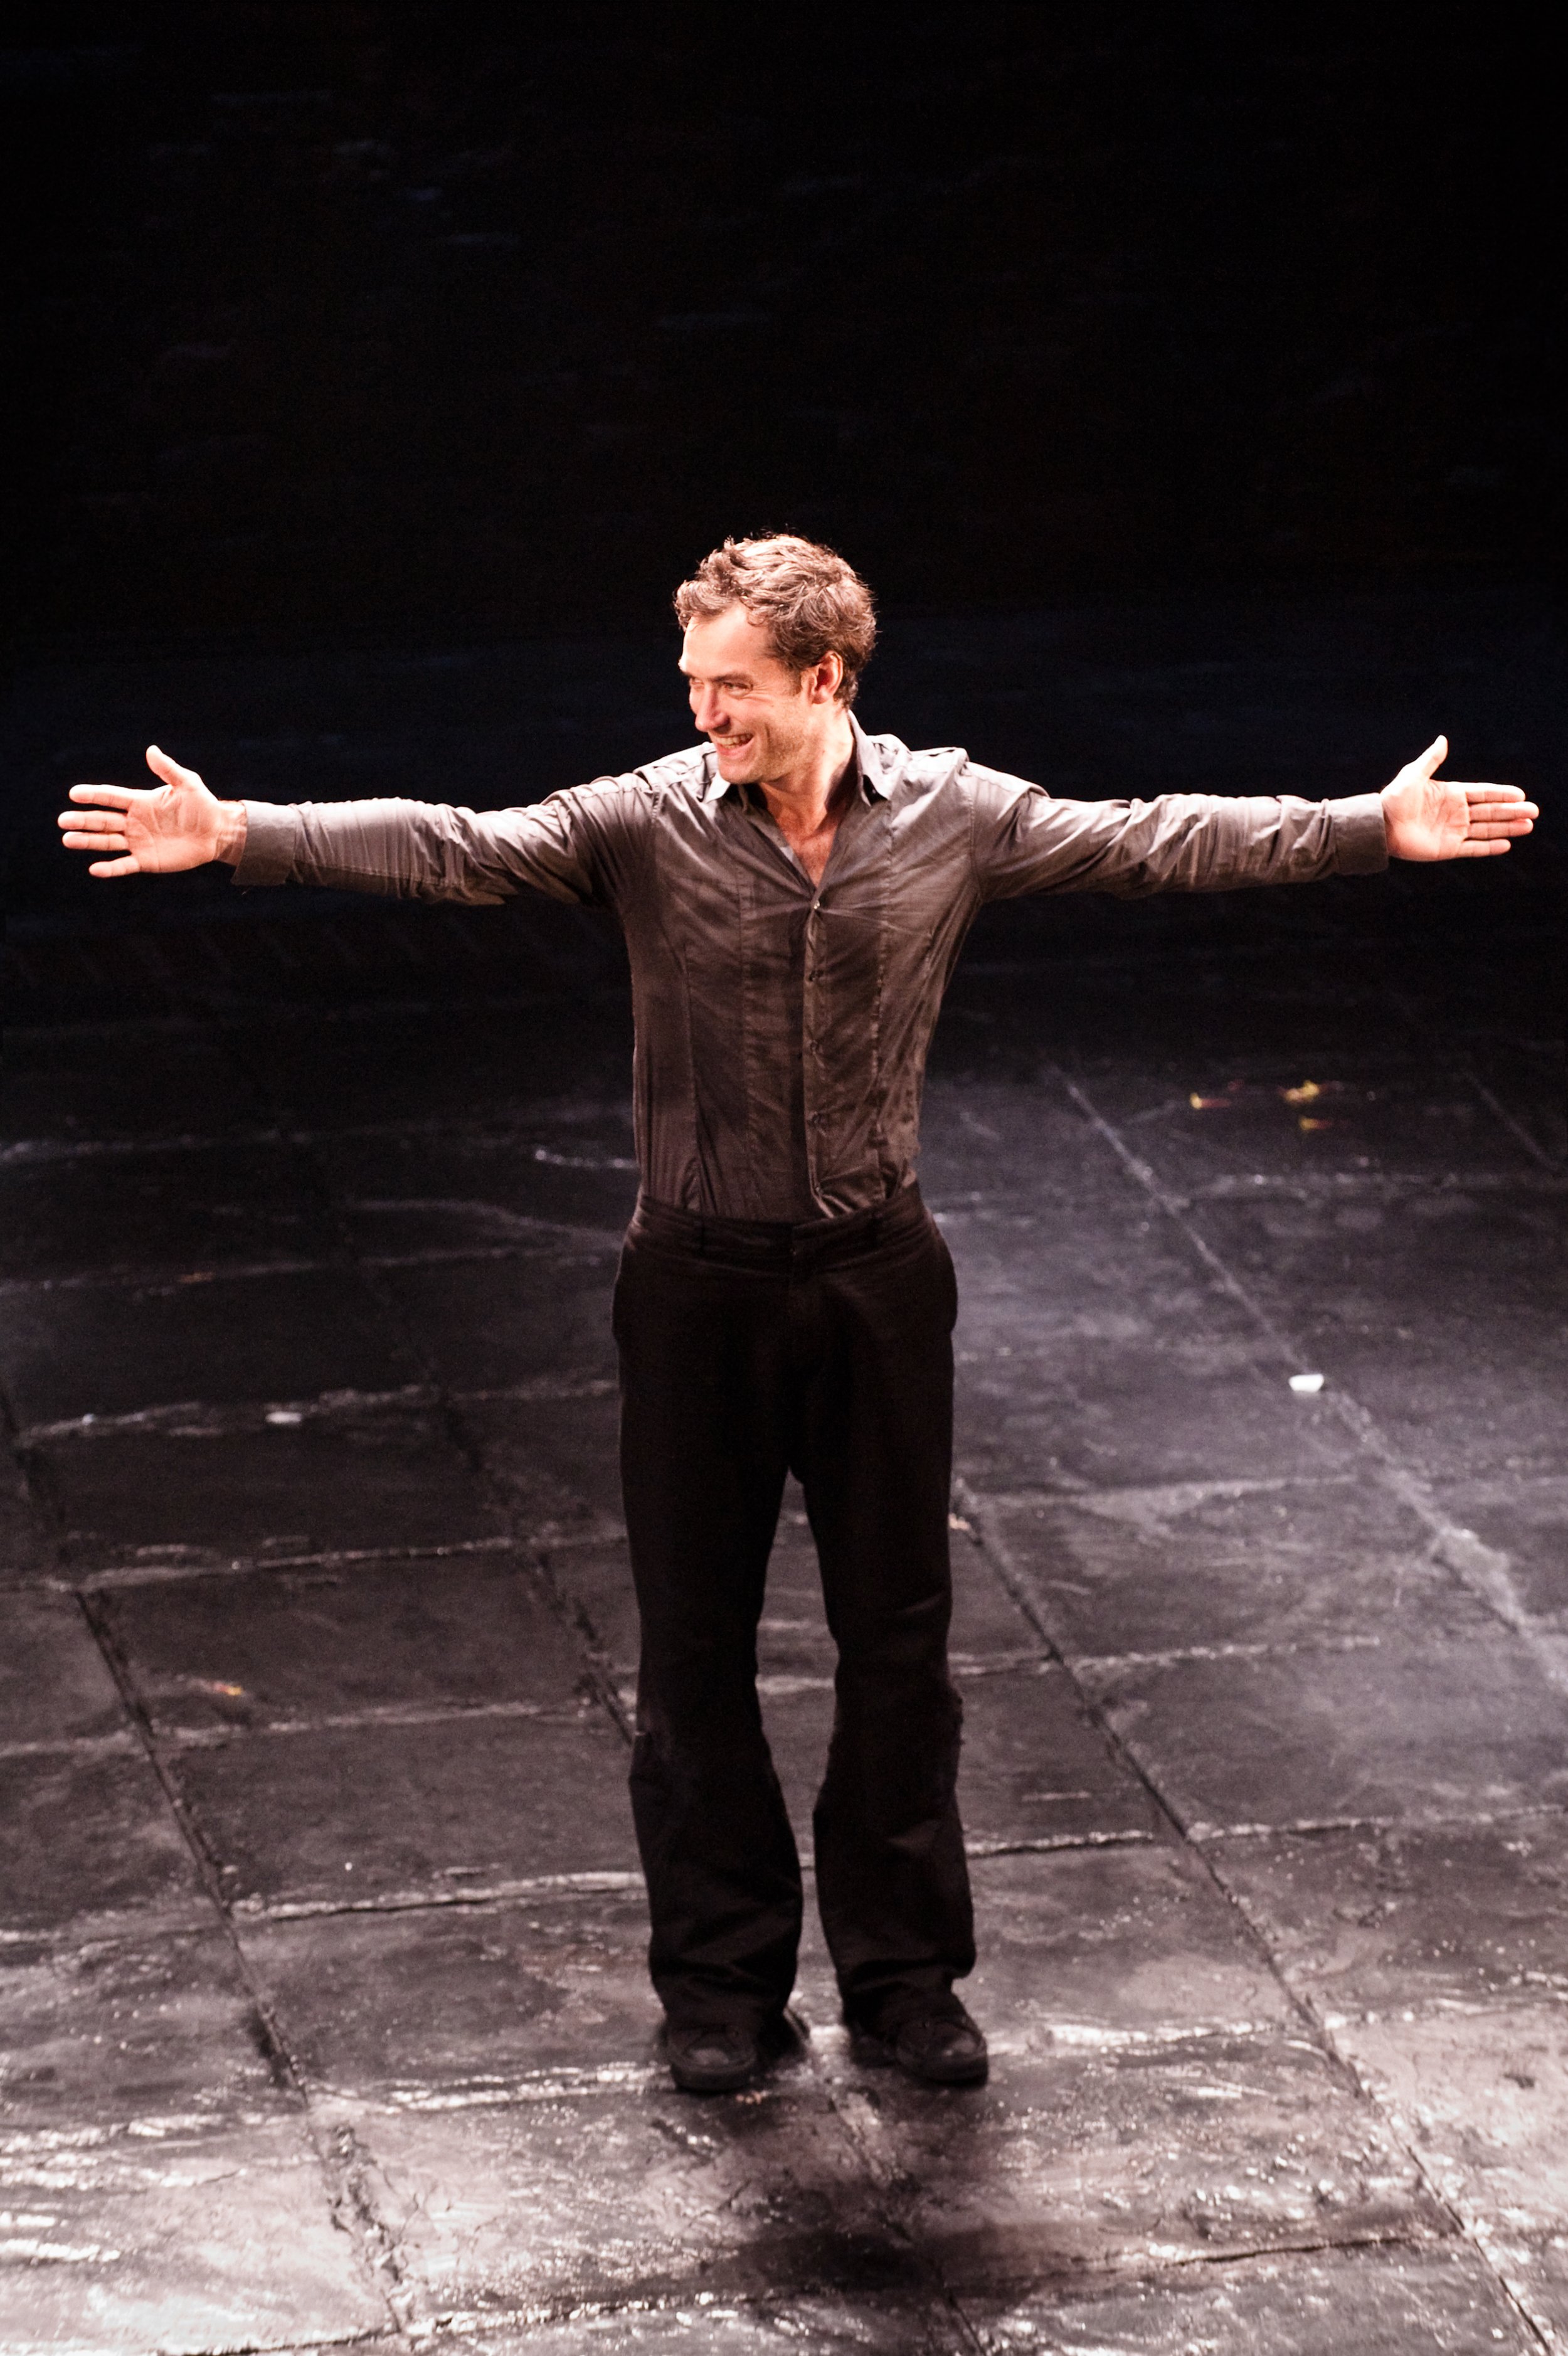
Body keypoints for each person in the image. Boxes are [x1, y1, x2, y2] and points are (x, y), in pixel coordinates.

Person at [59, 535, 1537, 2095]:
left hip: (877, 1287)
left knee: (897, 1644)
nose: (705, 714)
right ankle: (718, 1985)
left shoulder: (954, 814)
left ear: (824, 679)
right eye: (691, 684)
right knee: (693, 1654)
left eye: (734, 688)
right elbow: (455, 847)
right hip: (695, 1292)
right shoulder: (642, 822)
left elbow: (1155, 839)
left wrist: (1371, 827)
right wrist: (242, 835)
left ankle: (902, 1980)